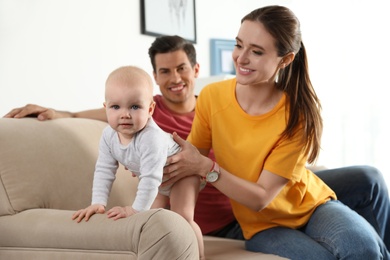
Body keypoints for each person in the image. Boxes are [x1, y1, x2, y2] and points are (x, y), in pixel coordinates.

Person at [4, 34, 390, 254]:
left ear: (196, 70)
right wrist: (56, 112)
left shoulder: (217, 104)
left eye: (182, 68)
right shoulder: (147, 121)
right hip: (234, 218)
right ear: (155, 81)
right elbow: (104, 114)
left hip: (267, 188)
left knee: (369, 179)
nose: (175, 78)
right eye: (165, 71)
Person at [160, 6, 389, 259]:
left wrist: (206, 167)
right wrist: (185, 223)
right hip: (262, 226)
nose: (241, 58)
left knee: (364, 248)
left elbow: (261, 196)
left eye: (256, 52)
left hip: (311, 207)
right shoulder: (212, 97)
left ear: (285, 59)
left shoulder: (298, 113)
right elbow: (188, 168)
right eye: (239, 45)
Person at [71, 65, 205, 260]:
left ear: (150, 109)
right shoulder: (108, 136)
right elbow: (104, 170)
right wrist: (98, 203)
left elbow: (150, 177)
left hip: (183, 176)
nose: (125, 114)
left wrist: (134, 210)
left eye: (135, 107)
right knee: (153, 219)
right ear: (105, 108)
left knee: (182, 218)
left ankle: (199, 256)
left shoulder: (151, 138)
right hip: (159, 181)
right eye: (116, 107)